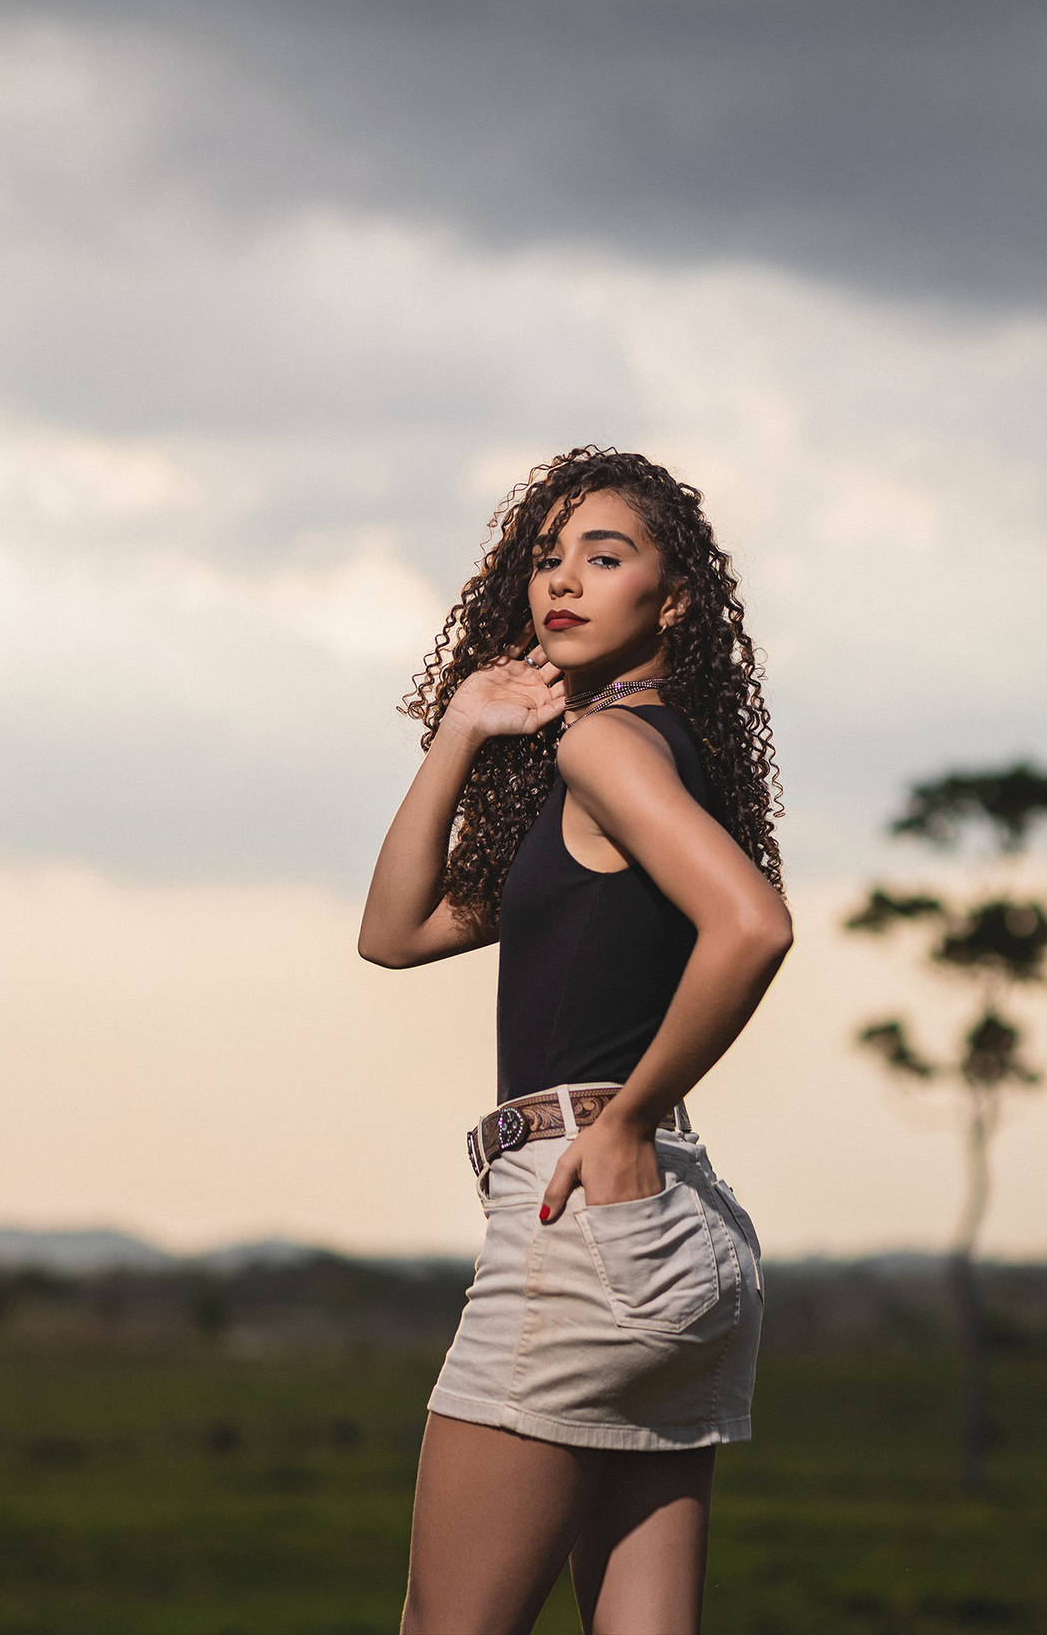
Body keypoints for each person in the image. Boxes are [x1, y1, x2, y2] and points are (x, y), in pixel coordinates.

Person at [359, 446, 793, 1635]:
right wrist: (462, 727)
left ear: (674, 597)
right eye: (548, 558)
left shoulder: (603, 749)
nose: (563, 580)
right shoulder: (643, 759)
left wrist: (632, 1114)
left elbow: (752, 925)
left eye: (605, 558)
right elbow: (394, 933)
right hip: (678, 1236)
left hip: (582, 1214)